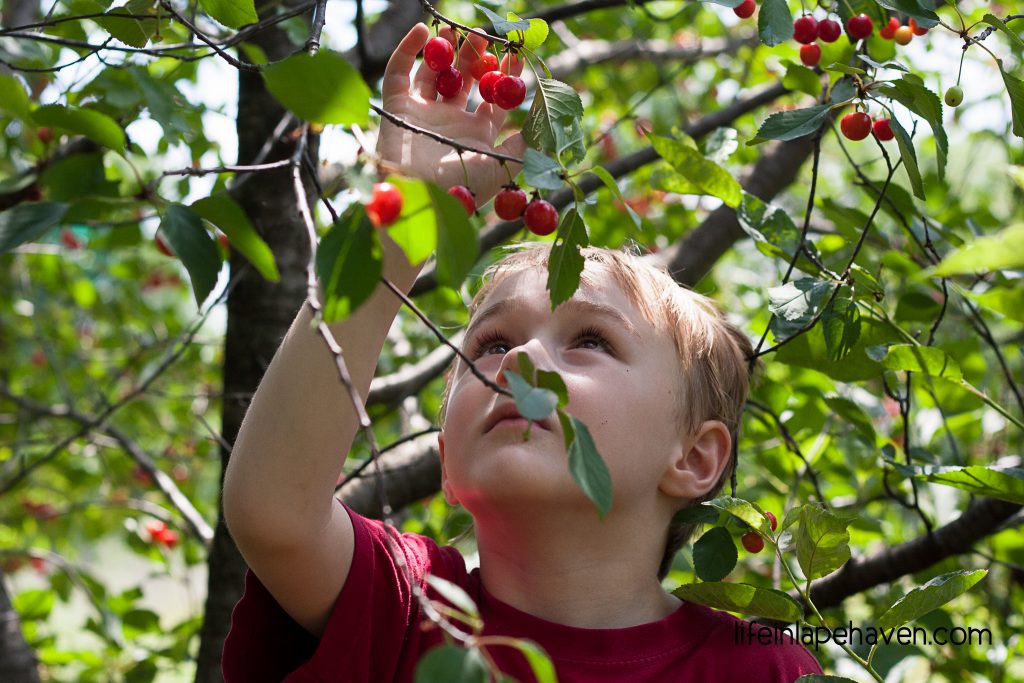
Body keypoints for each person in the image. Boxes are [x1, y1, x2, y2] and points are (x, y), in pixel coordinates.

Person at [220, 23, 822, 683]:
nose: (519, 360)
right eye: (491, 342)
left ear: (695, 456)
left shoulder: (763, 667)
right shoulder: (410, 606)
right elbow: (273, 511)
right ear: (448, 461)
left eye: (591, 340)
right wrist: (404, 224)